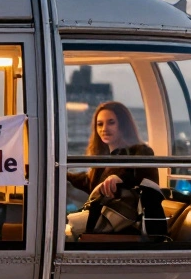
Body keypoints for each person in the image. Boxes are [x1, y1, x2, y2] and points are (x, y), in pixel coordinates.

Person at [66, 101, 160, 238]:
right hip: (103, 217)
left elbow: (147, 181)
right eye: (100, 124)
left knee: (64, 231)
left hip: (126, 223)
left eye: (111, 123)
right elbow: (89, 182)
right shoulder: (104, 159)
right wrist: (58, 172)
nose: (104, 128)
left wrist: (120, 180)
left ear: (123, 125)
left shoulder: (141, 151)